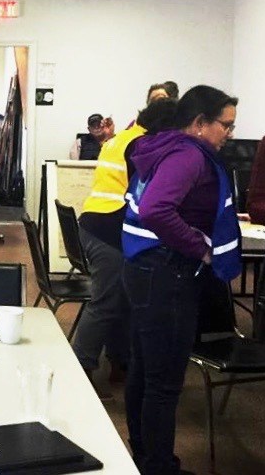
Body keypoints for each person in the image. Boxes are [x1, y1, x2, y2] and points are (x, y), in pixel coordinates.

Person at [121, 85, 242, 475]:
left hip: (145, 268)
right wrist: (201, 248)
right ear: (199, 123)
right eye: (225, 125)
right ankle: (158, 467)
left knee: (145, 368)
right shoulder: (189, 156)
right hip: (166, 273)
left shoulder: (167, 147)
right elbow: (157, 209)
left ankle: (143, 456)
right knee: (163, 380)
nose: (229, 134)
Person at [72, 99, 177, 397]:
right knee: (105, 303)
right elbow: (149, 195)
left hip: (96, 223)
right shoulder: (142, 146)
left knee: (122, 299)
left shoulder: (123, 138)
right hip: (109, 230)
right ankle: (79, 371)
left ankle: (121, 362)